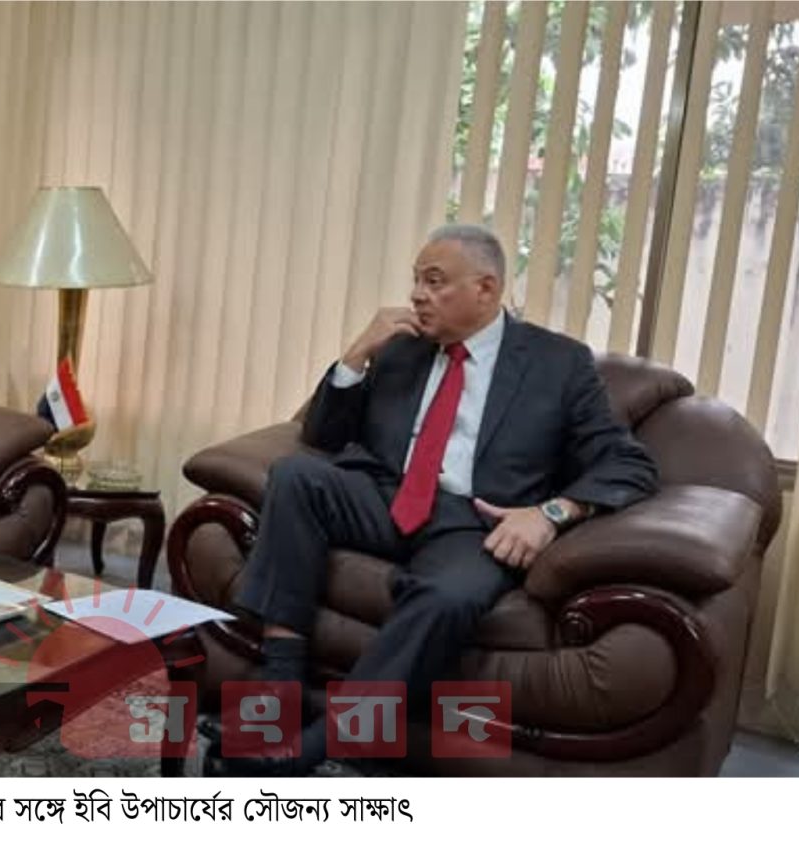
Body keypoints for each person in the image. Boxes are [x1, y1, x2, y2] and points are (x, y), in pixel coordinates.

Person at [208, 223, 658, 775]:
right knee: (296, 475)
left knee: (451, 596)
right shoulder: (403, 348)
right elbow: (322, 437)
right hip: (387, 495)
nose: (418, 294)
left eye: (435, 281)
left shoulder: (557, 363)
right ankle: (280, 689)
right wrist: (356, 354)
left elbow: (627, 463)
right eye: (417, 280)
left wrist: (550, 514)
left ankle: (322, 743)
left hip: (474, 520)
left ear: (485, 289)